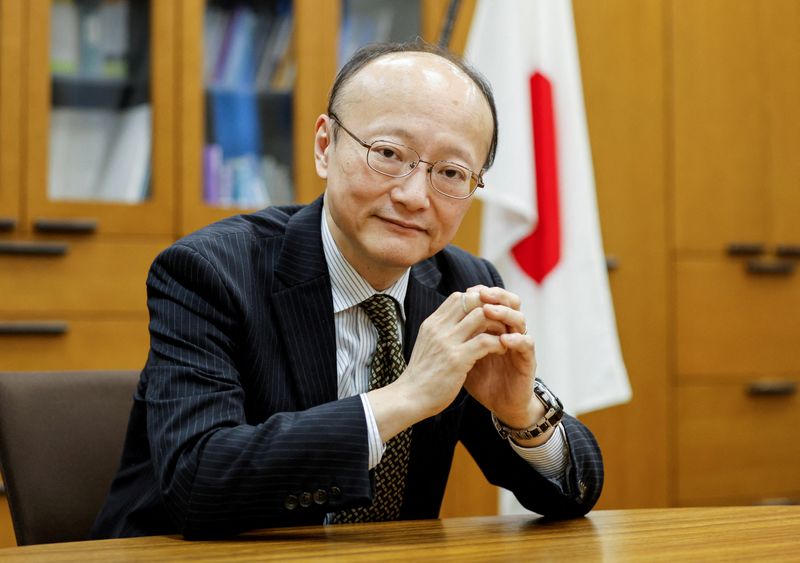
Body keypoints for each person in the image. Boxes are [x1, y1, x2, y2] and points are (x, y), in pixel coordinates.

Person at [92, 41, 603, 539]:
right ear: (324, 147)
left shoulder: (462, 286)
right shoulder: (211, 272)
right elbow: (198, 481)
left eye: (450, 172)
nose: (412, 196)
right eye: (388, 154)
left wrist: (522, 417)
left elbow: (570, 494)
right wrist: (405, 397)